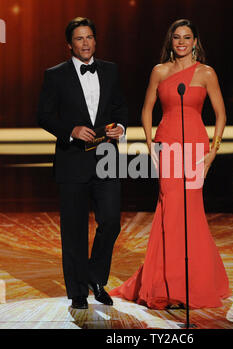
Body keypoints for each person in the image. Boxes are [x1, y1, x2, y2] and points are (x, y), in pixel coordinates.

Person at [110, 19, 231, 309]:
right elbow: (146, 109)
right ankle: (166, 284)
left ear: (195, 41)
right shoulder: (159, 71)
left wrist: (213, 151)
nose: (181, 42)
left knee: (191, 213)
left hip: (196, 149)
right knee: (170, 210)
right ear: (171, 40)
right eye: (176, 37)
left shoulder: (206, 73)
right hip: (167, 147)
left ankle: (195, 283)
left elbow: (221, 114)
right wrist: (150, 143)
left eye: (187, 38)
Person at [37, 17, 128, 309]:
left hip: (107, 159)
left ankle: (94, 276)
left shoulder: (111, 70)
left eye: (89, 37)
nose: (86, 43)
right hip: (72, 161)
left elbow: (121, 107)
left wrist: (121, 128)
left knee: (111, 221)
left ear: (95, 41)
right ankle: (78, 292)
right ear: (69, 45)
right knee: (74, 229)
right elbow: (44, 115)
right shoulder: (55, 75)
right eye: (79, 39)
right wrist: (71, 131)